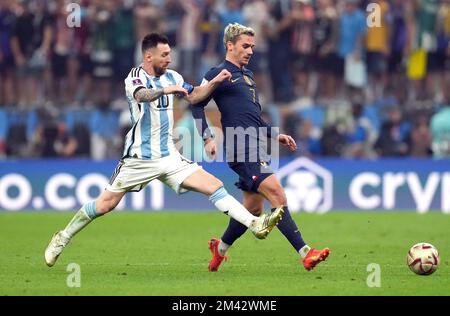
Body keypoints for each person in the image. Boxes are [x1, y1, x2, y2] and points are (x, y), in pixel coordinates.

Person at [44, 33, 283, 267]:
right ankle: (63, 237)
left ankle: (255, 224)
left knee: (214, 186)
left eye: (170, 54)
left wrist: (214, 83)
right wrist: (166, 91)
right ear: (149, 57)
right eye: (165, 55)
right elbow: (142, 95)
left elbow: (195, 96)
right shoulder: (134, 78)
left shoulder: (173, 76)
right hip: (139, 157)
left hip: (169, 156)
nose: (169, 59)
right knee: (105, 205)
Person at [191, 23, 330, 272]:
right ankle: (306, 254)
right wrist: (207, 137)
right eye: (245, 46)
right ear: (230, 45)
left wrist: (275, 135)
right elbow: (196, 103)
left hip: (254, 144)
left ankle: (220, 249)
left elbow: (253, 116)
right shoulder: (217, 72)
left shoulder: (249, 75)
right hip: (239, 145)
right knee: (277, 194)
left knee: (253, 208)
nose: (250, 51)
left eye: (252, 47)